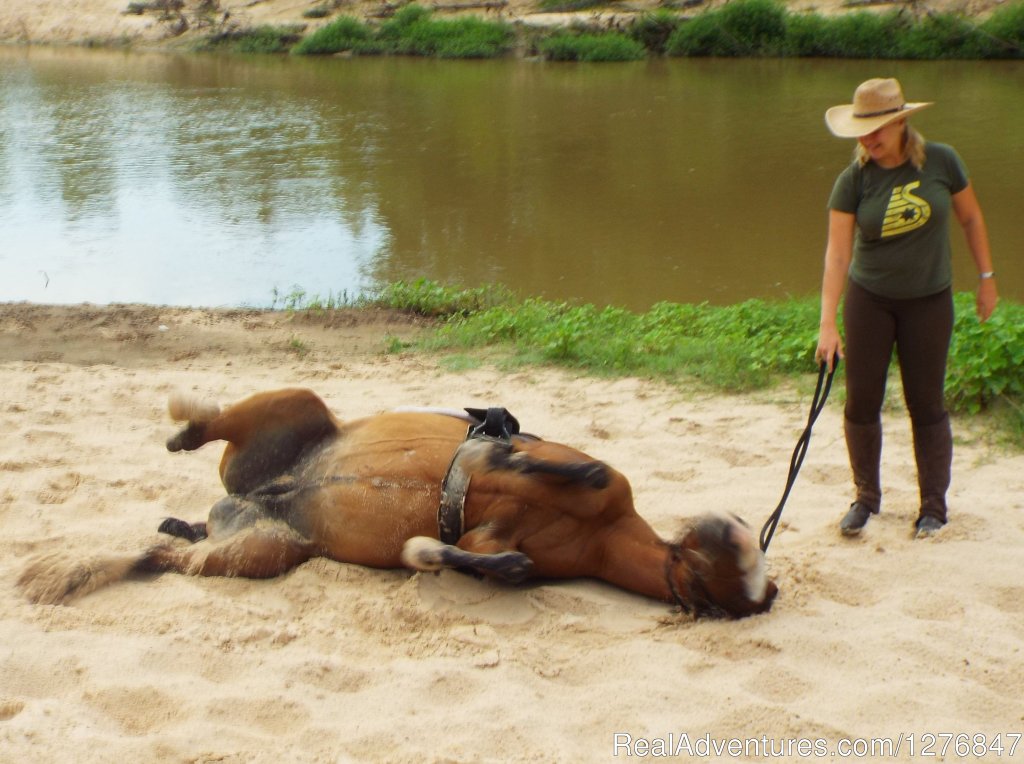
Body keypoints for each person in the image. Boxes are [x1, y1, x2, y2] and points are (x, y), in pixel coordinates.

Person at [815, 77, 998, 539]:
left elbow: (971, 217)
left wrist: (986, 278)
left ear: (900, 122)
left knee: (926, 403)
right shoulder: (853, 180)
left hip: (929, 301)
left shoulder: (942, 161)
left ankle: (933, 507)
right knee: (861, 402)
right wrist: (827, 323)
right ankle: (866, 498)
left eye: (876, 129)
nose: (867, 140)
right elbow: (837, 256)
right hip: (869, 300)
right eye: (861, 130)